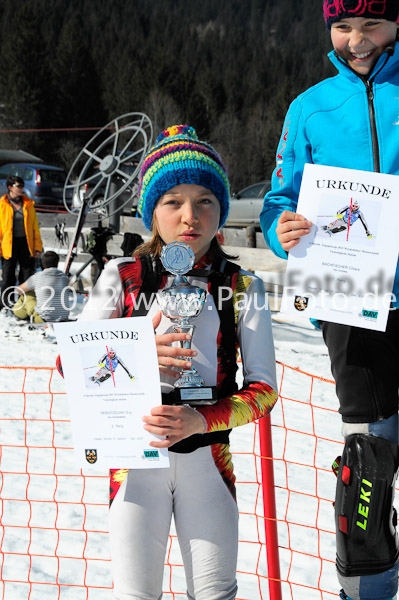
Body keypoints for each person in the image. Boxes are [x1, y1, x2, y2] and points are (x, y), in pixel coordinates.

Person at [77, 124, 278, 600]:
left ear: (222, 210)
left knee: (214, 594)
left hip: (207, 459)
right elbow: (72, 367)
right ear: (152, 213)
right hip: (134, 462)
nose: (190, 215)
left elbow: (264, 391)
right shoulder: (123, 275)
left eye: (206, 199)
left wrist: (200, 420)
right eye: (173, 201)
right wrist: (135, 349)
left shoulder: (244, 287)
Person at [260, 2, 399, 599]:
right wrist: (280, 228)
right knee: (367, 460)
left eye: (371, 25)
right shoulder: (309, 108)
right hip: (351, 306)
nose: (356, 40)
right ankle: (368, 590)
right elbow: (277, 199)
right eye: (343, 28)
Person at [0, 175, 43, 309]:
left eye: (22, 186)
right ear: (10, 187)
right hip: (8, 245)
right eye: (19, 186)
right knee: (8, 275)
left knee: (27, 274)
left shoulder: (28, 204)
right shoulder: (2, 205)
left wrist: (37, 247)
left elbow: (35, 227)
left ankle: (25, 303)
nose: (22, 189)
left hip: (26, 244)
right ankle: (5, 303)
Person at [13, 250, 71, 323]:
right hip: (63, 319)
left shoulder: (37, 277)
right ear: (57, 263)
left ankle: (18, 314)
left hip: (43, 320)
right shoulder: (64, 277)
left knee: (26, 295)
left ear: (43, 264)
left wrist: (34, 289)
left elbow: (19, 290)